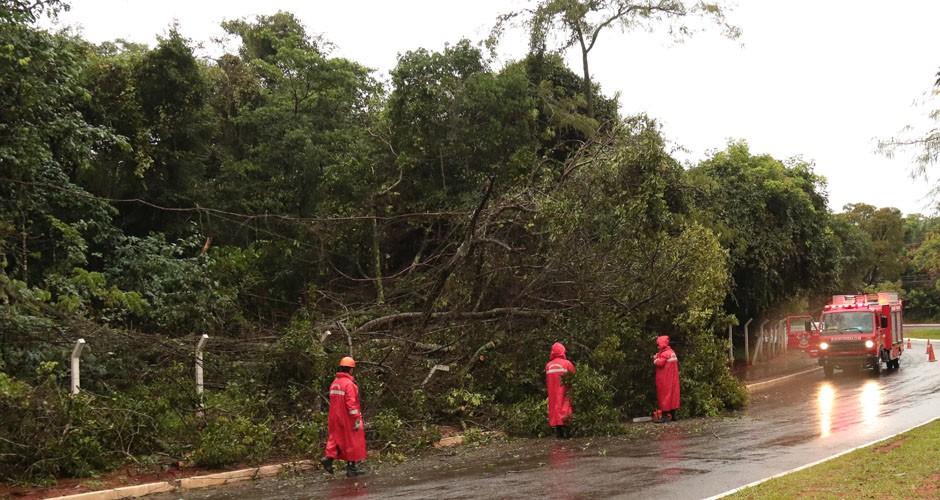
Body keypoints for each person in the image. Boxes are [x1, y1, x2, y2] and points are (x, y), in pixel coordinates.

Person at [321, 356, 367, 477]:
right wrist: (356, 418)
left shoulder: (335, 383)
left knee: (336, 439)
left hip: (334, 417)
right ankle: (351, 468)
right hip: (346, 417)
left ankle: (329, 459)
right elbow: (351, 403)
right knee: (352, 441)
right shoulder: (349, 385)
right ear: (351, 370)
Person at [545, 342, 576, 438]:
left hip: (553, 394)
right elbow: (574, 379)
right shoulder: (567, 364)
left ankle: (559, 436)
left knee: (556, 414)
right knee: (565, 413)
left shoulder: (548, 366)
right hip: (564, 394)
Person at [653, 335, 680, 423]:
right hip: (673, 380)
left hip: (665, 380)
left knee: (664, 396)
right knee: (673, 396)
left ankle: (664, 416)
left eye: (658, 344)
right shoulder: (672, 352)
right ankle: (674, 415)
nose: (657, 346)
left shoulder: (664, 354)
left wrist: (655, 358)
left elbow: (659, 363)